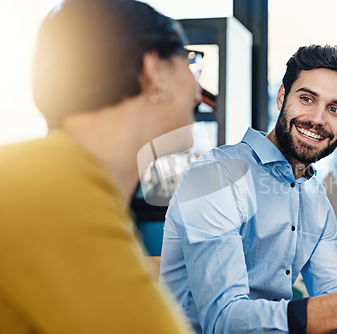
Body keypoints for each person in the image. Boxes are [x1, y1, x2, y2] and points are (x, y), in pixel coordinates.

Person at [159, 45, 337, 334]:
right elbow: (224, 321)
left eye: (335, 109)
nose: (318, 119)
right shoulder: (215, 176)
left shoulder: (315, 199)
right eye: (307, 99)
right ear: (282, 97)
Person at [0, 0, 203, 332]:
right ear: (153, 69)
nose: (198, 90)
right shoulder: (57, 187)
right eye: (190, 63)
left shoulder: (50, 175)